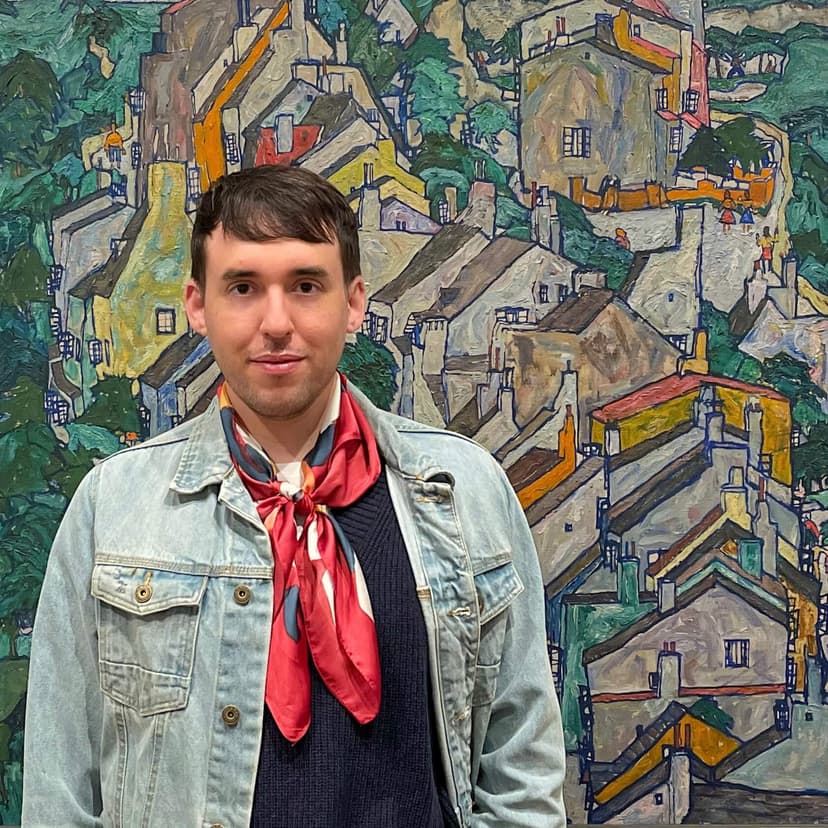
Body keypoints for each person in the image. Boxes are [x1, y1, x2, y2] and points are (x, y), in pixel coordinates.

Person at [23, 165, 567, 828]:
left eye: (306, 286)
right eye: (243, 288)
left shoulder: (466, 492)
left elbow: (522, 771)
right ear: (198, 306)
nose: (276, 322)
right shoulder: (113, 507)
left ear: (354, 302)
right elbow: (60, 789)